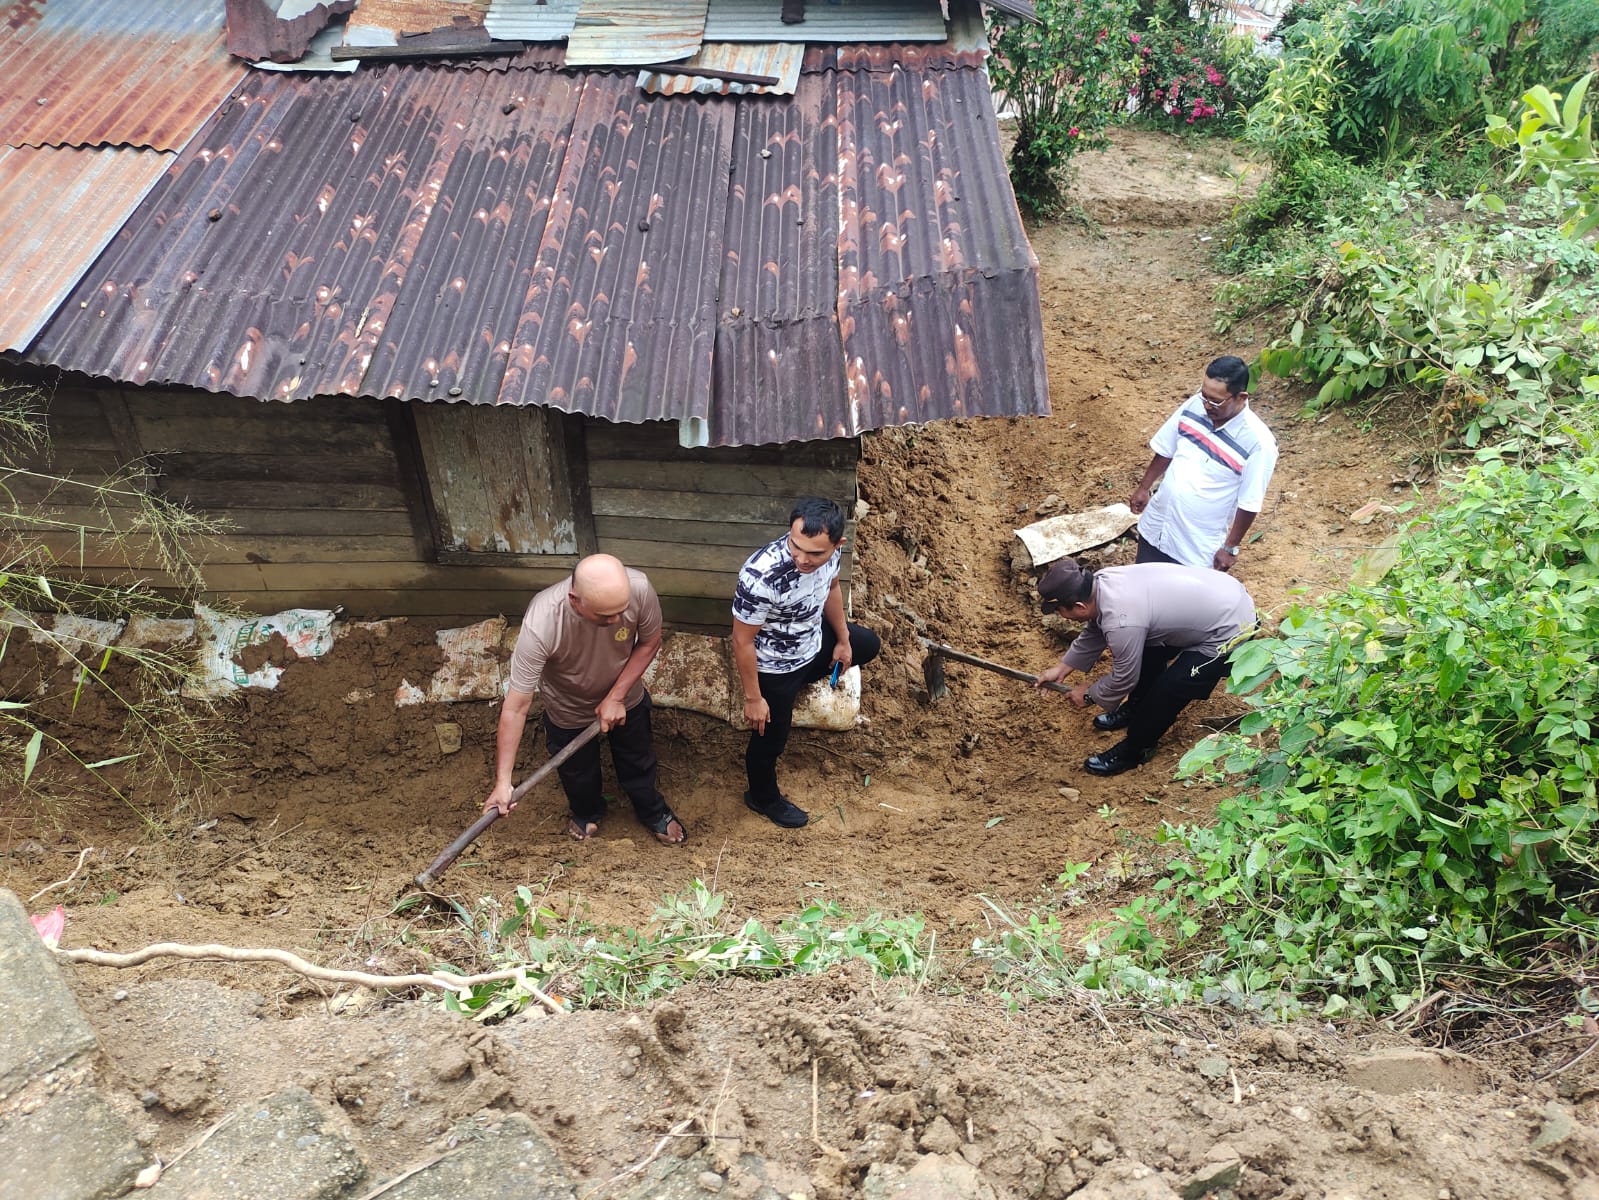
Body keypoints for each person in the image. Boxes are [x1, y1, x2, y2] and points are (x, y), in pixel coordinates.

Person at [484, 554, 686, 845]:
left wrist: (616, 697)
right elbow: (516, 707)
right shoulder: (541, 624)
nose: (617, 620)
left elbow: (649, 641)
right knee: (577, 772)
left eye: (621, 610)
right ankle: (587, 810)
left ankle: (651, 809)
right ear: (575, 600)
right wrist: (503, 782)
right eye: (605, 616)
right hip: (568, 708)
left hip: (625, 697)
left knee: (638, 759)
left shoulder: (639, 588)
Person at [732, 497, 881, 828]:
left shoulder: (832, 556)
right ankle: (762, 797)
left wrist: (842, 641)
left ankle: (807, 679)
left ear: (837, 544)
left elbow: (831, 589)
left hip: (812, 643)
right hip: (775, 667)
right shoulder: (761, 576)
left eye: (814, 553)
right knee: (770, 738)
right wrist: (754, 698)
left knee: (867, 644)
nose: (802, 558)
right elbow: (741, 640)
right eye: (795, 547)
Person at [1034, 558, 1255, 777]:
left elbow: (1124, 678)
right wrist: (1063, 667)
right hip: (1222, 594)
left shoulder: (1122, 619)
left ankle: (1136, 750)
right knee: (1146, 652)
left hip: (1231, 625)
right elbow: (1096, 628)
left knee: (1168, 690)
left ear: (1080, 607)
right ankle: (1136, 708)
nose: (1060, 615)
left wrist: (1090, 695)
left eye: (1059, 610)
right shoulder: (1103, 582)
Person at [1129, 355, 1278, 572]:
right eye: (1204, 396)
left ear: (1241, 397)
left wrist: (1230, 547)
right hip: (1158, 527)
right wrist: (1144, 487)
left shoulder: (1258, 443)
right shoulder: (1194, 406)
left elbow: (1250, 502)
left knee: (1179, 603)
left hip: (1195, 547)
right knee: (1143, 588)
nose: (1207, 405)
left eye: (1216, 401)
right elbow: (1166, 448)